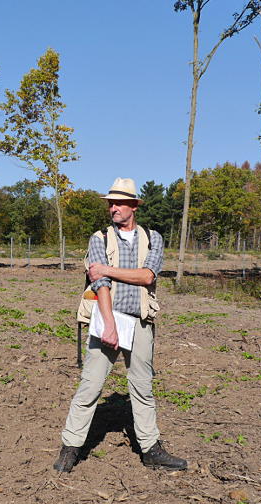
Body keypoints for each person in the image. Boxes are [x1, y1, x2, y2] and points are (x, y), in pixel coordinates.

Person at [53, 177, 186, 473]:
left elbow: (147, 277)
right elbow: (99, 283)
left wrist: (109, 270)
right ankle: (70, 448)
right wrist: (109, 325)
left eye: (119, 202)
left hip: (140, 323)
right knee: (90, 386)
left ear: (134, 206)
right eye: (110, 203)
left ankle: (151, 449)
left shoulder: (153, 238)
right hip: (106, 320)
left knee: (142, 387)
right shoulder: (99, 238)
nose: (113, 207)